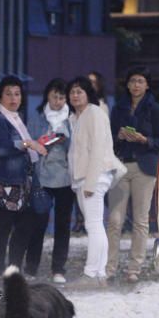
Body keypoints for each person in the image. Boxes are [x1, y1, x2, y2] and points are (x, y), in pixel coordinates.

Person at [0, 75, 48, 279]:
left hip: (19, 182)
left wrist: (35, 144)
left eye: (17, 94)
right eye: (8, 94)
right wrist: (28, 144)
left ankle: (14, 268)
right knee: (2, 228)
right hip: (0, 182)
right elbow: (1, 148)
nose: (13, 98)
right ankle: (0, 271)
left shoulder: (17, 119)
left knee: (24, 226)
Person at [106, 66, 159, 284]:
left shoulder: (156, 109)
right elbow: (109, 140)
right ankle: (109, 266)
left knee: (141, 220)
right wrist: (119, 136)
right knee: (115, 220)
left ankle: (135, 267)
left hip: (145, 168)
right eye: (132, 81)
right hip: (121, 165)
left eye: (140, 81)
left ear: (147, 84)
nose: (136, 85)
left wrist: (145, 140)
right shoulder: (118, 109)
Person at [66, 75, 125, 288]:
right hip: (82, 178)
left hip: (95, 176)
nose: (75, 95)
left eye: (79, 91)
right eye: (72, 92)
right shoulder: (77, 117)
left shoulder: (95, 113)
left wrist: (90, 183)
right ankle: (99, 274)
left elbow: (99, 148)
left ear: (88, 94)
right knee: (95, 225)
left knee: (94, 225)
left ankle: (92, 274)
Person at [25, 78, 74, 283]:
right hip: (42, 176)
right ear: (47, 95)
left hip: (66, 177)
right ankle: (31, 267)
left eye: (62, 97)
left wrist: (65, 137)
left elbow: (76, 146)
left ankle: (58, 269)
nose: (58, 101)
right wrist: (41, 142)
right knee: (38, 222)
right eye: (55, 96)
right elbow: (29, 140)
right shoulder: (37, 116)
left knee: (63, 225)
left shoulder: (72, 118)